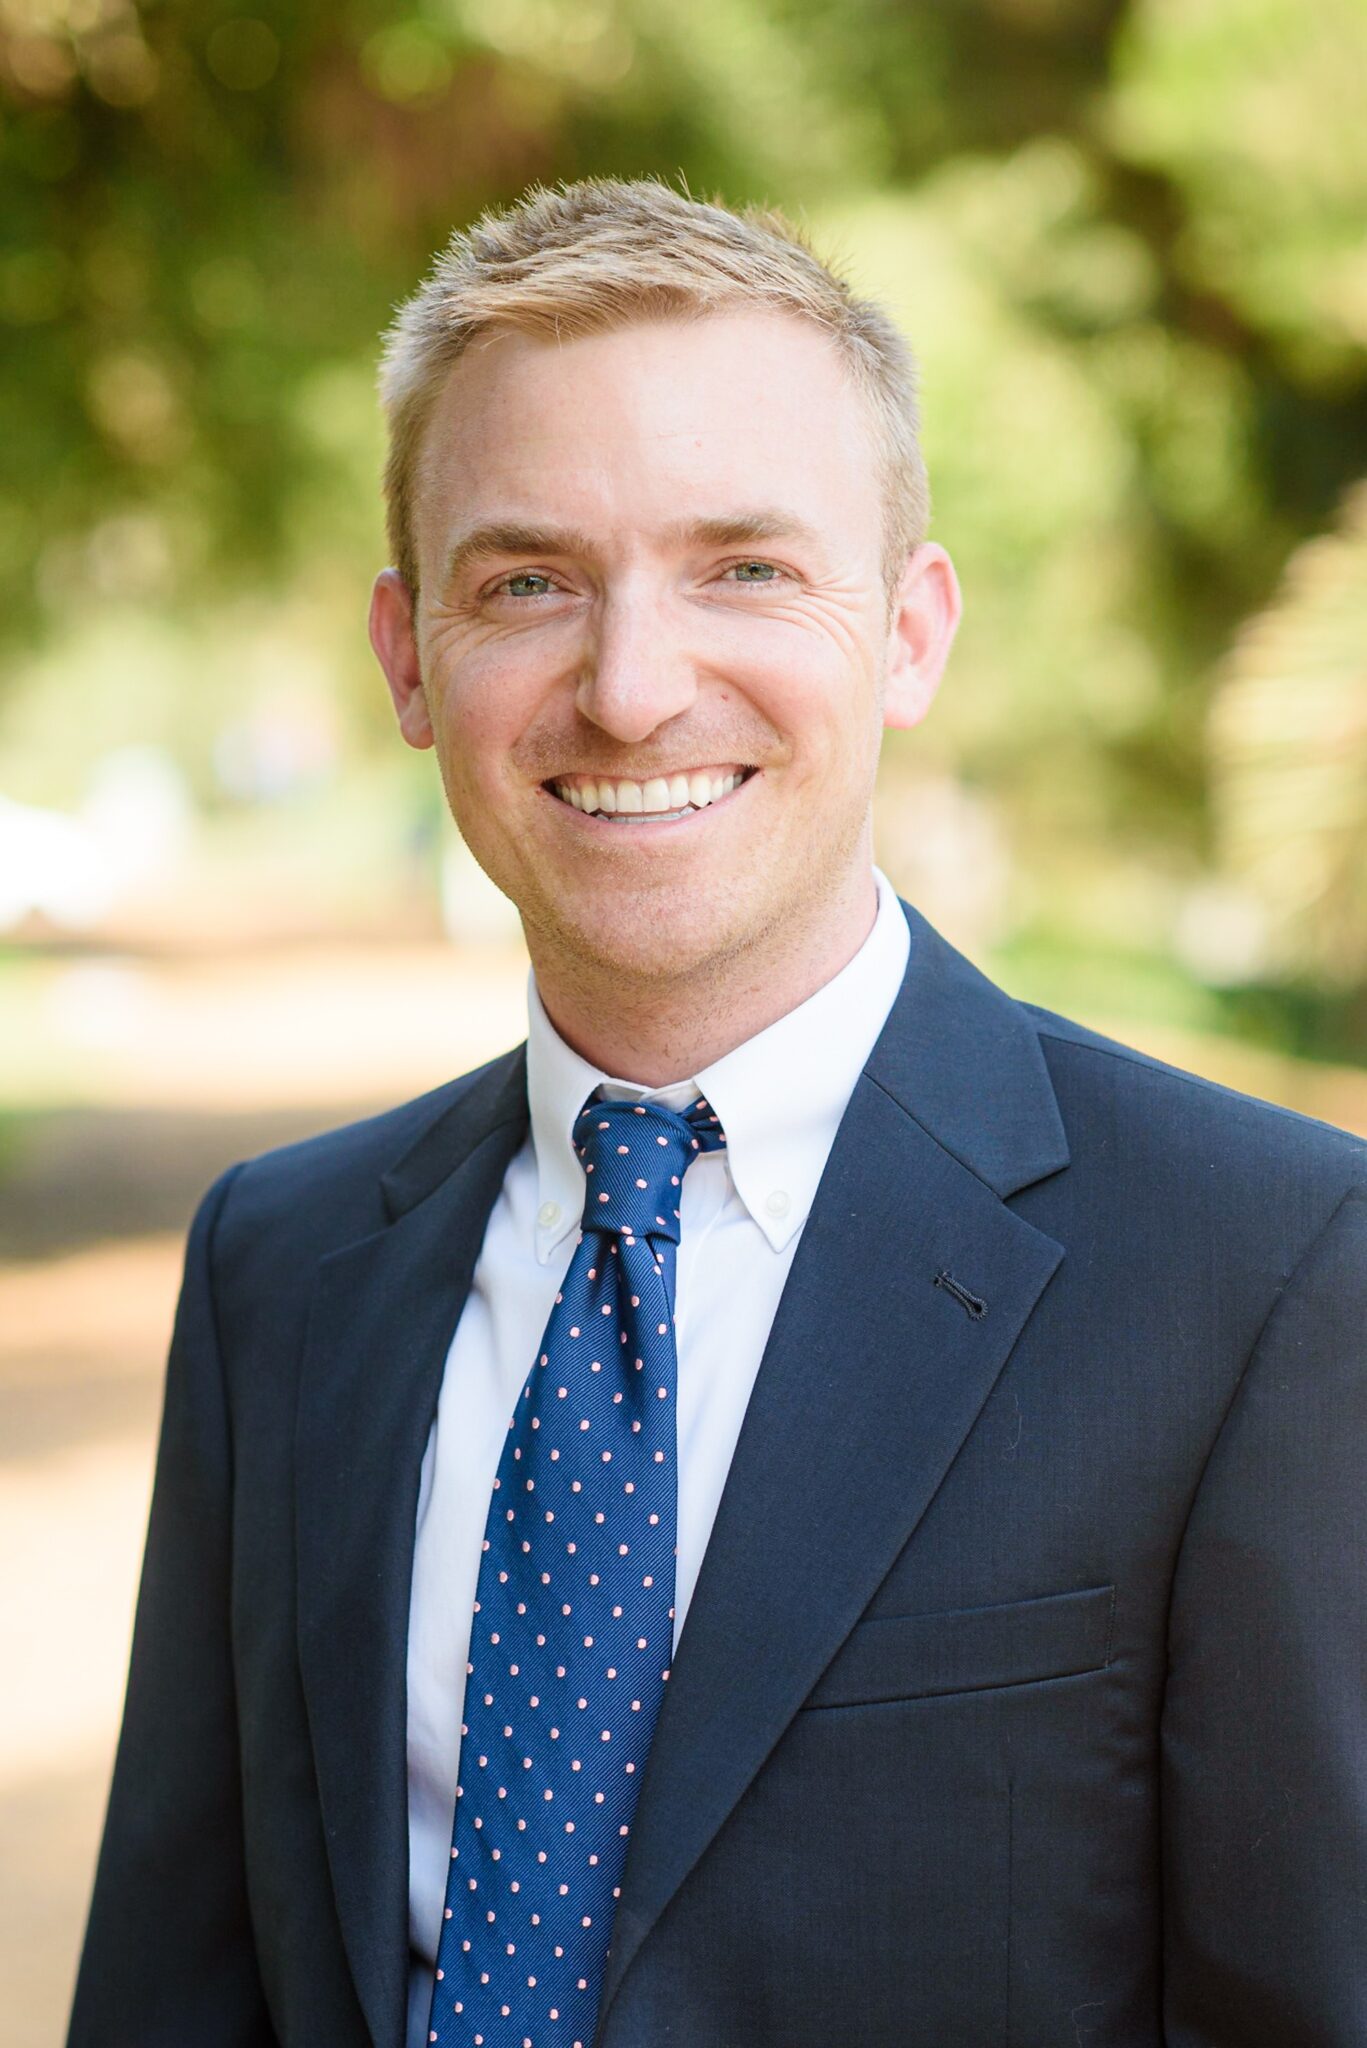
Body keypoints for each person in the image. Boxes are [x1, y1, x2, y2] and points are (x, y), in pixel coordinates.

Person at [68, 179, 1366, 2048]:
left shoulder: (1268, 1275)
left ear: (910, 634)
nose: (632, 686)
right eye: (528, 582)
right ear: (410, 657)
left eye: (744, 568)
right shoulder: (278, 1270)